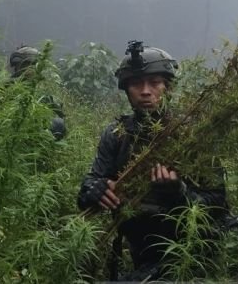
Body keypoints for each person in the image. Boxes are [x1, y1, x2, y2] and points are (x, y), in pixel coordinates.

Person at [77, 40, 227, 278]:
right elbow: (93, 183)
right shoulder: (117, 134)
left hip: (190, 250)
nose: (145, 91)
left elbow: (219, 203)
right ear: (126, 89)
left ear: (168, 87)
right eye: (136, 83)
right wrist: (92, 190)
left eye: (155, 83)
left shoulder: (192, 136)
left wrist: (180, 194)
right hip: (139, 250)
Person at [8, 46, 66, 140]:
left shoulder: (43, 93)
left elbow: (59, 115)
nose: (30, 70)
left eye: (32, 65)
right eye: (26, 65)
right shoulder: (7, 88)